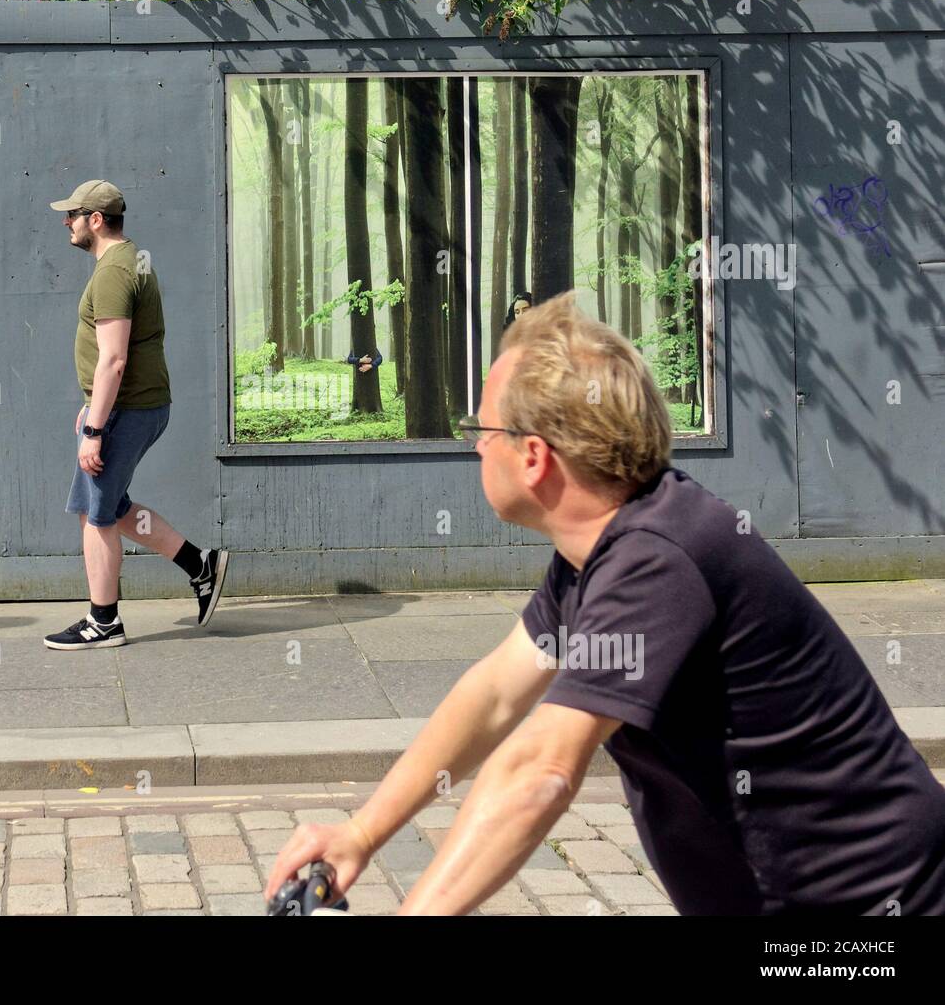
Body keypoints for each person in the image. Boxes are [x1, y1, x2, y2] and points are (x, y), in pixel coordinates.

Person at [265, 291, 945, 915]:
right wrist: (361, 832)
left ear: (533, 456)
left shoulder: (659, 558)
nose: (475, 444)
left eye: (485, 428)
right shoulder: (600, 552)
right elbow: (497, 695)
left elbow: (542, 771)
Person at [44, 179, 229, 651]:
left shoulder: (114, 272)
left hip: (130, 408)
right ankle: (199, 564)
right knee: (111, 505)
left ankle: (104, 622)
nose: (67, 222)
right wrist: (92, 408)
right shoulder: (130, 261)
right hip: (132, 405)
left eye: (73, 215)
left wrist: (94, 427)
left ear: (97, 219)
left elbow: (114, 359)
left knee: (96, 515)